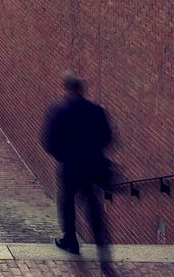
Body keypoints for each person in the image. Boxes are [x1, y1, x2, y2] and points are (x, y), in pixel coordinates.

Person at [42, 72, 114, 274]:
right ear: (82, 89)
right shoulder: (96, 111)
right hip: (92, 166)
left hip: (70, 166)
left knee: (67, 203)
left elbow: (49, 143)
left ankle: (70, 240)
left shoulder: (59, 111)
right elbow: (108, 137)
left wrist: (63, 156)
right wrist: (94, 151)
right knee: (93, 206)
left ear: (66, 88)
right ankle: (102, 245)